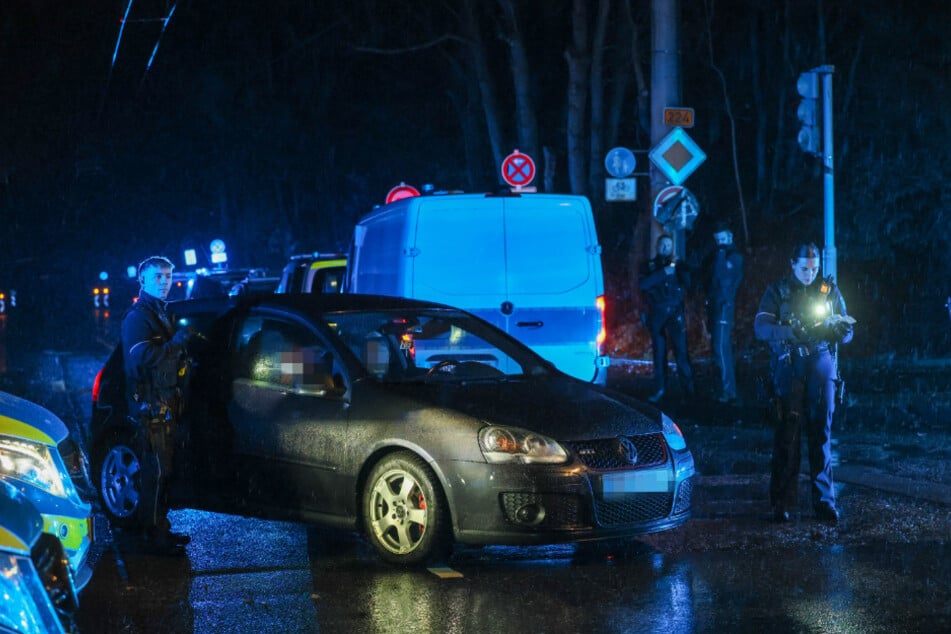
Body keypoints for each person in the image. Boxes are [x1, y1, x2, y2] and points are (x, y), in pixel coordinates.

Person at [754, 242, 854, 524]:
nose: (810, 274)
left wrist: (841, 331)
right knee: (788, 434)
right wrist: (789, 331)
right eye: (804, 269)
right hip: (790, 363)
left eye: (814, 269)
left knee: (821, 434)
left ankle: (824, 503)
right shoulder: (779, 291)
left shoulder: (828, 290)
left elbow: (847, 332)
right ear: (792, 264)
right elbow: (761, 327)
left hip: (820, 361)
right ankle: (782, 502)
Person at [122, 256, 196, 555]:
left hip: (165, 403)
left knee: (165, 470)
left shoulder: (161, 312)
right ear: (142, 280)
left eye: (168, 276)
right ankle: (152, 538)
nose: (164, 282)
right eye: (157, 276)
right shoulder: (138, 317)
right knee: (155, 471)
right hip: (150, 406)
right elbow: (144, 357)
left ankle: (160, 529)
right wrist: (178, 342)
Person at [639, 233, 695, 403]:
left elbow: (689, 284)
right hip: (657, 314)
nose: (666, 248)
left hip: (675, 314)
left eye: (669, 246)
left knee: (681, 353)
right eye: (663, 245)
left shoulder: (678, 265)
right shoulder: (650, 266)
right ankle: (660, 389)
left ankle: (689, 392)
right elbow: (643, 284)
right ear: (657, 246)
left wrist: (680, 267)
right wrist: (663, 272)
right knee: (659, 354)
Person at [707, 222, 744, 403]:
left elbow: (721, 275)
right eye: (718, 240)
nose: (720, 243)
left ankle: (728, 390)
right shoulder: (719, 255)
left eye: (723, 239)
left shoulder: (734, 257)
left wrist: (721, 253)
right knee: (719, 347)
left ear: (730, 237)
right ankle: (725, 388)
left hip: (724, 307)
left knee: (721, 347)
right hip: (717, 306)